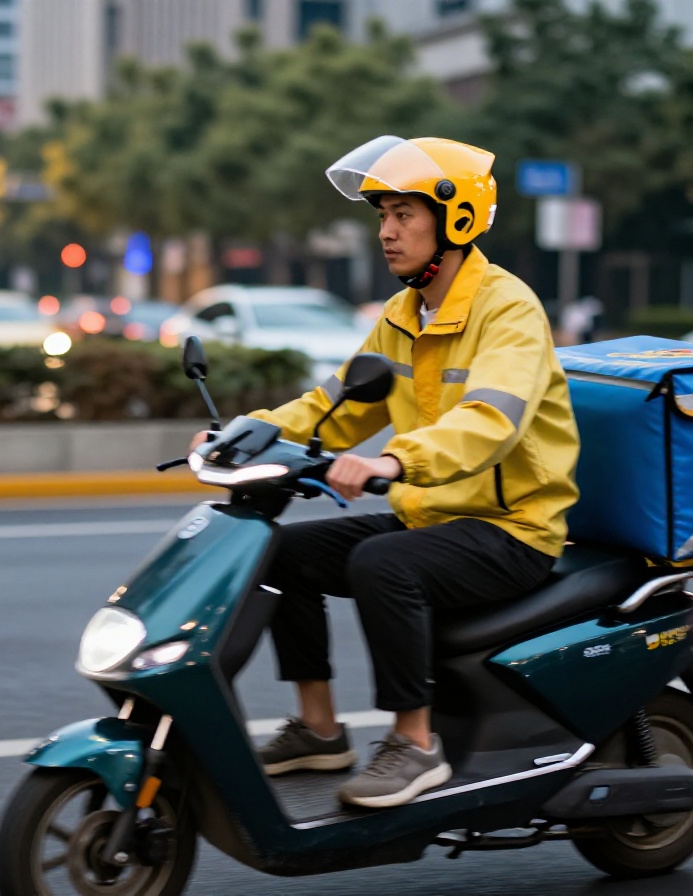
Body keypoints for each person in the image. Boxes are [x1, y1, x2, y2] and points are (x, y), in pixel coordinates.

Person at [191, 136, 580, 808]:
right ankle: (318, 729)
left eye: (404, 214)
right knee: (280, 551)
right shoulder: (403, 316)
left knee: (384, 563)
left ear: (455, 220)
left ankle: (416, 744)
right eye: (382, 217)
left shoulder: (507, 309)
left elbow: (493, 418)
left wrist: (395, 459)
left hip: (512, 528)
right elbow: (333, 407)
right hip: (431, 516)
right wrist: (245, 437)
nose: (387, 232)